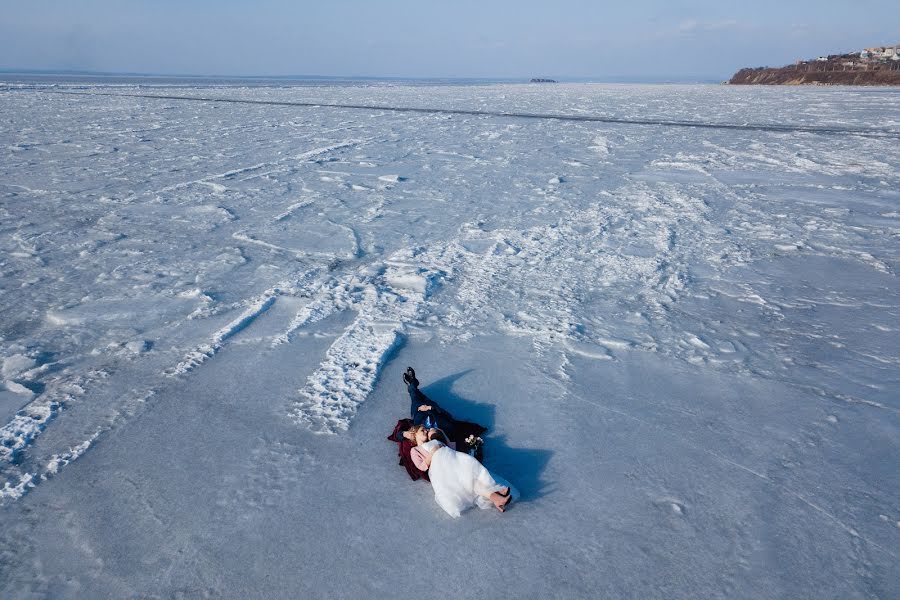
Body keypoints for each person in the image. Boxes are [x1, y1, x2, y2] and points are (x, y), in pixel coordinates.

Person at [411, 426, 516, 518]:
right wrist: (432, 453)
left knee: (472, 477)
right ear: (414, 434)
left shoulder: (434, 441)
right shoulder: (415, 450)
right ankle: (495, 492)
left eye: (426, 429)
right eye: (422, 430)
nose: (425, 431)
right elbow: (421, 466)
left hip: (454, 459)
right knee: (470, 480)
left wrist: (440, 433)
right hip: (442, 469)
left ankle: (496, 497)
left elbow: (452, 447)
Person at [403, 367, 455, 437]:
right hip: (431, 406)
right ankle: (413, 384)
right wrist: (430, 408)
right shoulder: (444, 426)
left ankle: (412, 383)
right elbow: (447, 416)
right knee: (420, 396)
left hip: (417, 409)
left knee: (415, 396)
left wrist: (404, 434)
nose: (427, 430)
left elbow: (397, 435)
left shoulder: (421, 434)